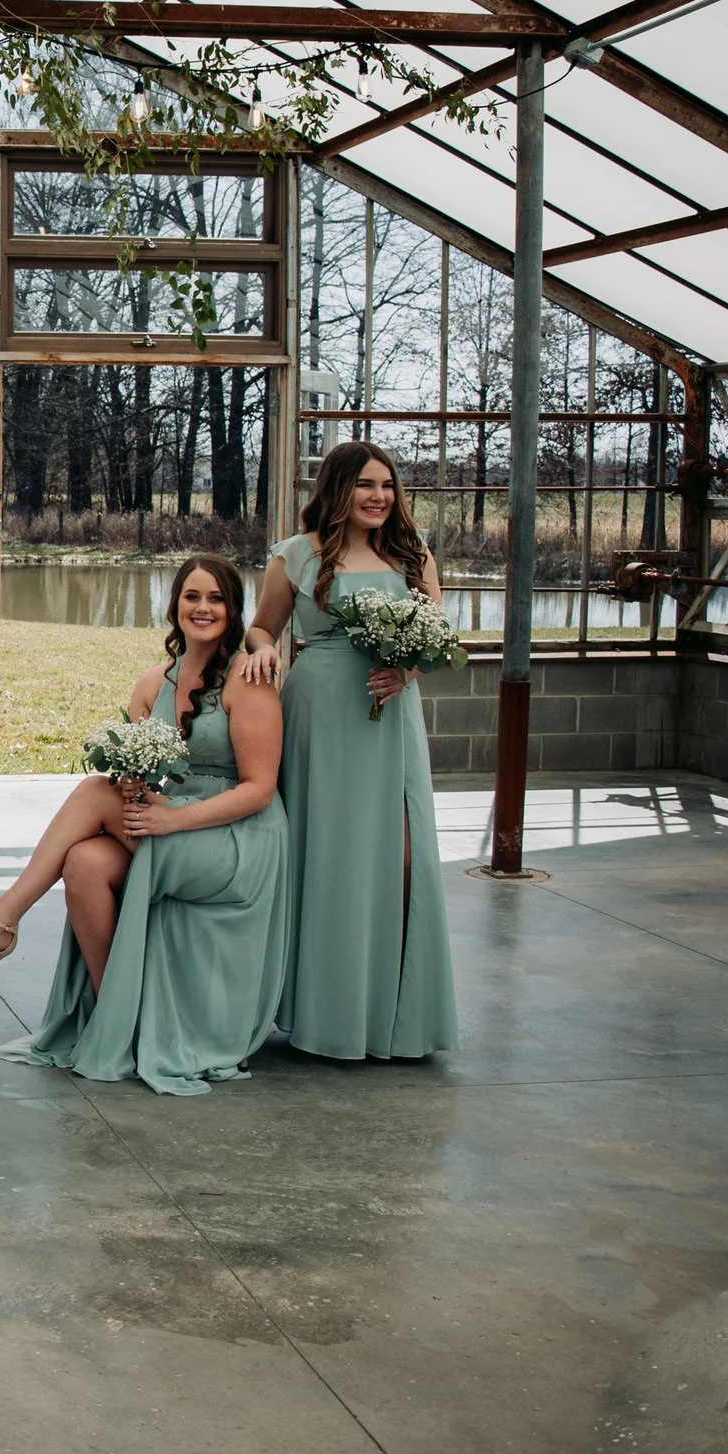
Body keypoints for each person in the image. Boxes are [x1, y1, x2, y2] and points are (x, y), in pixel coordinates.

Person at [0, 558, 290, 1094]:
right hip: (172, 819)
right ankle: (121, 1020)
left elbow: (258, 790)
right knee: (84, 862)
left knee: (93, 793)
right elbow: (142, 772)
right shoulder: (152, 683)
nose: (203, 608)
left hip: (237, 836)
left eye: (216, 598)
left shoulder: (246, 679)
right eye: (192, 596)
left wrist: (172, 818)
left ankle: (0, 921)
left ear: (233, 610)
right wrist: (136, 788)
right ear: (174, 605)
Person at [238, 441, 457, 1060]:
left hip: (390, 717)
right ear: (338, 488)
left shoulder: (412, 554)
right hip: (321, 714)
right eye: (365, 484)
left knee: (403, 855)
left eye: (387, 485)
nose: (379, 496)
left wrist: (407, 670)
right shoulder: (296, 555)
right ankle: (323, 1012)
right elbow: (263, 627)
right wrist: (261, 650)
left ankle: (395, 1015)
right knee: (327, 854)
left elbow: (438, 635)